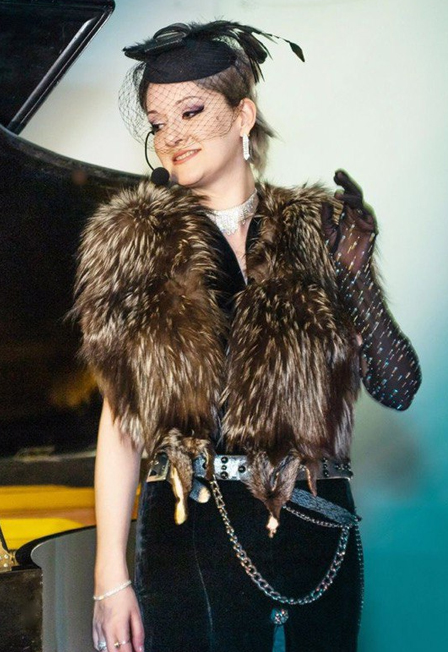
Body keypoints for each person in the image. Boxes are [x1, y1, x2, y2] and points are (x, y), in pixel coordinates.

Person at [72, 21, 421, 652]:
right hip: (190, 533)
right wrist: (108, 578)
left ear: (243, 115)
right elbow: (121, 420)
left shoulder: (319, 229)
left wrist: (356, 276)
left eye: (191, 111)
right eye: (157, 123)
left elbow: (399, 388)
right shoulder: (135, 244)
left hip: (318, 529)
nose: (172, 136)